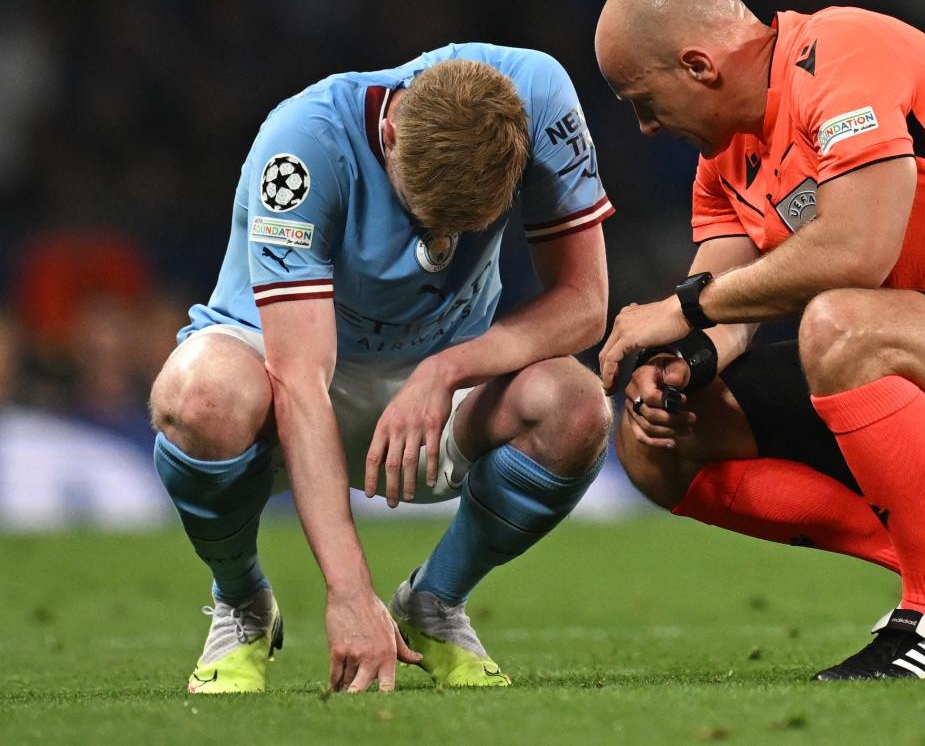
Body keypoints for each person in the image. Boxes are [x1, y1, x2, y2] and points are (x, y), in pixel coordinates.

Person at [594, 0, 925, 680]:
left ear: (697, 64)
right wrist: (684, 361)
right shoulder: (724, 162)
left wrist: (682, 307)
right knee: (660, 434)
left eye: (641, 98)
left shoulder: (840, 52)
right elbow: (730, 300)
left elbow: (858, 250)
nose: (646, 125)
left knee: (839, 325)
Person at [149, 44, 614, 694]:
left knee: (578, 407)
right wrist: (347, 592)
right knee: (200, 396)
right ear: (389, 133)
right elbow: (299, 381)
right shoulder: (304, 144)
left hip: (440, 379)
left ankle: (435, 602)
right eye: (425, 215)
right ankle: (242, 602)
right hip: (284, 373)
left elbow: (585, 304)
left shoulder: (540, 97)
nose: (440, 242)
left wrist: (445, 369)